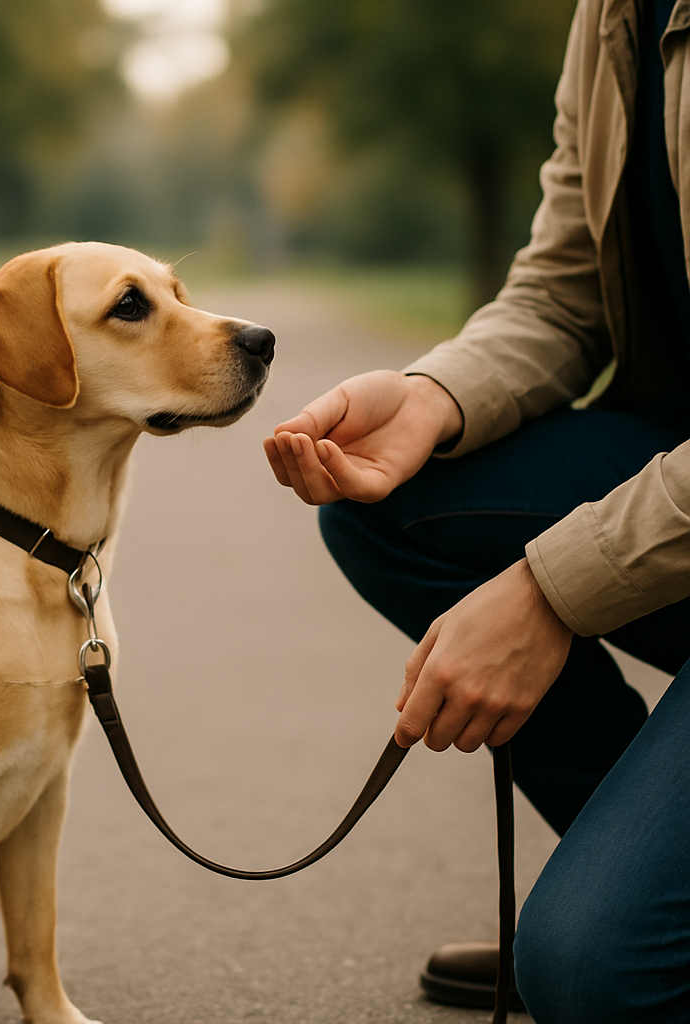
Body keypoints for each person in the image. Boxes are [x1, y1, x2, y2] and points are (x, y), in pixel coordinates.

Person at [264, 0, 690, 1020]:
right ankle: (641, 885)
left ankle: (630, 921)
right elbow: (563, 286)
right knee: (391, 508)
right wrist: (428, 400)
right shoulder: (612, 13)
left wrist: (551, 590)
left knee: (595, 973)